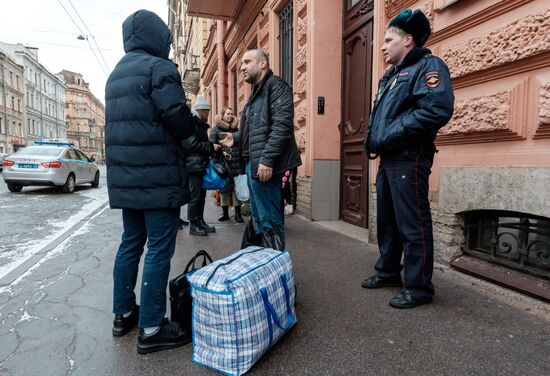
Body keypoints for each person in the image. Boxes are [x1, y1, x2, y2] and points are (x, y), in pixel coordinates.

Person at [105, 9, 194, 353]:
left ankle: (124, 313)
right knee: (159, 249)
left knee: (131, 244)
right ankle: (153, 327)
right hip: (158, 178)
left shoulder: (115, 75)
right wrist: (195, 139)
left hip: (127, 182)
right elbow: (176, 117)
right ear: (157, 37)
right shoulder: (160, 68)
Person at [362, 9, 455, 309]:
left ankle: (418, 288)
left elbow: (436, 110)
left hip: (409, 157)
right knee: (387, 221)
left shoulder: (429, 66)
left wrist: (388, 134)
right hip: (390, 158)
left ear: (408, 39)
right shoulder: (390, 76)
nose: (383, 45)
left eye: (389, 39)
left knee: (412, 224)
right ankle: (389, 271)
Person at [220, 49, 301, 251]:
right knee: (258, 219)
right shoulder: (255, 95)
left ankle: (275, 269)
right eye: (241, 65)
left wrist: (267, 160)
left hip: (264, 166)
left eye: (247, 62)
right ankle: (262, 265)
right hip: (253, 164)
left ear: (263, 63)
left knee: (269, 220)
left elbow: (281, 127)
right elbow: (255, 130)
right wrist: (236, 138)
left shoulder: (276, 87)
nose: (243, 68)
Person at [182, 95, 221, 236]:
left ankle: (200, 221)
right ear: (201, 111)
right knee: (195, 196)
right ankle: (193, 225)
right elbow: (191, 144)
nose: (208, 114)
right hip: (193, 165)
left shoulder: (199, 123)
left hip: (200, 164)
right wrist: (211, 146)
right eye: (207, 112)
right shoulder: (192, 123)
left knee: (202, 195)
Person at [209, 106, 244, 223]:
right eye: (227, 114)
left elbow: (240, 143)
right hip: (223, 164)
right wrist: (220, 151)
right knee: (224, 189)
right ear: (222, 115)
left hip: (236, 162)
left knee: (236, 188)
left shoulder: (236, 129)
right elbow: (211, 146)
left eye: (231, 114)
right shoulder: (216, 129)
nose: (230, 116)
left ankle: (238, 215)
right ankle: (225, 214)